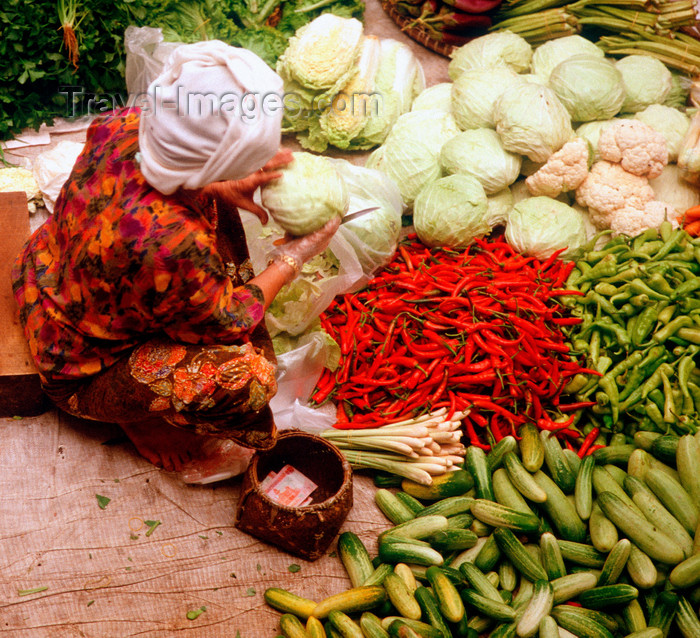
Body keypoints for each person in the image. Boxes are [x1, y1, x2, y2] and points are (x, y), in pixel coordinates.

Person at [11, 41, 339, 481]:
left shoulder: (123, 122)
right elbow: (231, 319)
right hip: (81, 367)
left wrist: (221, 187)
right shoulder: (174, 243)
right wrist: (293, 256)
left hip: (49, 273)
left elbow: (157, 190)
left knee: (219, 212)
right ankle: (133, 416)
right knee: (250, 380)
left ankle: (138, 404)